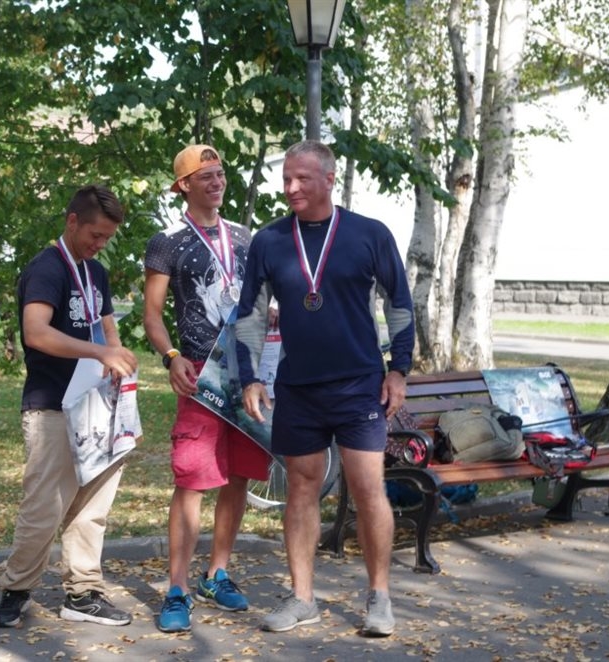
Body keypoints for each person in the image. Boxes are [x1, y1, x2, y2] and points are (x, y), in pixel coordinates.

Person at [235, 139, 414, 638]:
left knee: (367, 487)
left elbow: (400, 304)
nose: (291, 187)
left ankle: (379, 597)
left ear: (329, 179)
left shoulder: (369, 234)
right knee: (301, 487)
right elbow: (250, 314)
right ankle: (302, 597)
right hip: (298, 387)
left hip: (360, 386)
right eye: (286, 178)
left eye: (302, 179)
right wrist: (250, 377)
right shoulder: (270, 241)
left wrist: (399, 369)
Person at [0, 184, 138, 629]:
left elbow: (107, 330)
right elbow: (35, 332)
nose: (100, 244)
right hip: (52, 405)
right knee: (44, 507)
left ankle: (83, 593)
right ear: (72, 221)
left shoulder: (96, 272)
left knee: (93, 506)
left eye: (107, 237)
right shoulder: (47, 268)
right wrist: (99, 352)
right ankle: (16, 590)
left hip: (97, 406)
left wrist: (116, 356)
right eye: (95, 234)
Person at [143, 144, 270, 633]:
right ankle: (176, 588)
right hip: (199, 372)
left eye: (220, 173)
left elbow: (256, 299)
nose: (217, 182)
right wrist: (171, 356)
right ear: (184, 186)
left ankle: (217, 574)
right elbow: (153, 316)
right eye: (206, 176)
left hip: (244, 370)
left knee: (238, 474)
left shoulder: (244, 236)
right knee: (193, 478)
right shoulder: (167, 241)